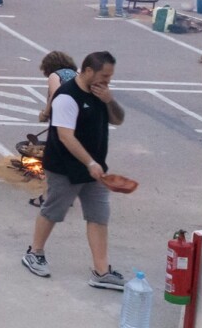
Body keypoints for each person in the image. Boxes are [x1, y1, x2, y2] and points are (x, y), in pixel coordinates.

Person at [22, 51, 127, 290]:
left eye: (110, 77)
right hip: (65, 167)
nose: (107, 81)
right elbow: (65, 137)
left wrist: (109, 99)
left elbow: (118, 120)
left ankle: (101, 271)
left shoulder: (101, 93)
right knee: (53, 211)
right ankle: (34, 252)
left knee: (99, 216)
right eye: (104, 76)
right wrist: (89, 162)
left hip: (95, 168)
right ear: (88, 71)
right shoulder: (66, 97)